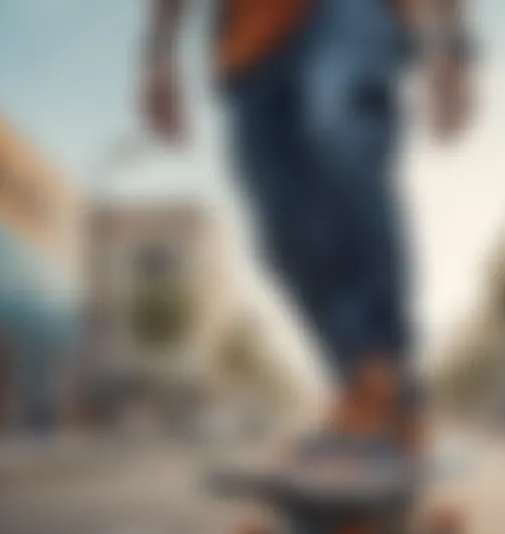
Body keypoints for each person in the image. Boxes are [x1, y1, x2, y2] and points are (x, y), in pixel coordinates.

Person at [141, 0, 476, 478]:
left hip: (354, 12)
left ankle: (386, 379)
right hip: (249, 46)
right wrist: (158, 55)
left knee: (340, 120)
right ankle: (364, 386)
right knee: (281, 232)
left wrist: (453, 44)